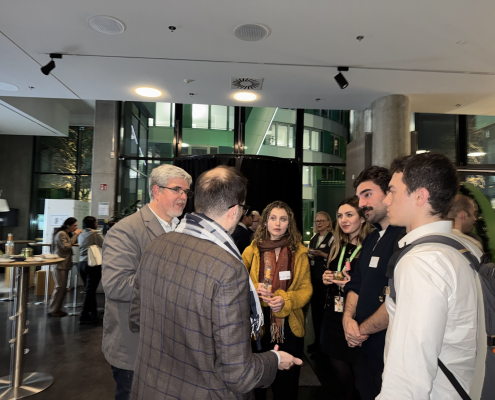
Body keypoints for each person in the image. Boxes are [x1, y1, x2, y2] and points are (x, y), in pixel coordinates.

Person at [129, 166, 302, 399]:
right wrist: (275, 359)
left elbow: (137, 320)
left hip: (150, 388)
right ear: (234, 210)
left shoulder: (156, 245)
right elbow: (238, 375)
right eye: (243, 209)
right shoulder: (228, 268)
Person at [377, 153, 482, 399]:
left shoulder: (421, 262)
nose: (386, 200)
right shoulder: (466, 247)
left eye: (392, 191)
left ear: (420, 196)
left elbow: (410, 371)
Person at [101, 164, 192, 400]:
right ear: (156, 191)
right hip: (136, 348)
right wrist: (176, 278)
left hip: (172, 346)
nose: (183, 197)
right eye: (177, 190)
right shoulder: (126, 230)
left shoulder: (182, 230)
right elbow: (116, 286)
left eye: (186, 192)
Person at [343, 166, 405, 400]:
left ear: (389, 194)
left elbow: (398, 301)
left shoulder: (403, 238)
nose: (362, 203)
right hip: (363, 347)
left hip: (388, 350)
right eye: (359, 197)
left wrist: (360, 330)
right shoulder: (370, 239)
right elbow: (356, 283)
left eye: (367, 194)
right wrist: (347, 318)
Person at [243, 200, 312, 400]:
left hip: (289, 325)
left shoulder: (299, 252)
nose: (278, 223)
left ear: (289, 223)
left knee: (287, 384)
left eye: (283, 219)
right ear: (265, 222)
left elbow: (306, 289)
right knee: (257, 382)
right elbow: (236, 281)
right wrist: (253, 288)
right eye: (273, 218)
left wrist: (285, 300)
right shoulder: (252, 250)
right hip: (258, 325)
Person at [321, 197, 372, 400]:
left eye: (349, 215)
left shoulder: (370, 247)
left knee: (360, 377)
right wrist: (326, 278)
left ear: (362, 218)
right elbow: (334, 271)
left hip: (356, 318)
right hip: (333, 316)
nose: (343, 220)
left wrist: (353, 285)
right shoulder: (338, 245)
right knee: (340, 376)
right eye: (340, 216)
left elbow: (373, 284)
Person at [307, 211, 334, 355]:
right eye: (317, 221)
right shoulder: (314, 238)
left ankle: (324, 345)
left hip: (325, 281)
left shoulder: (332, 238)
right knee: (315, 312)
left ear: (328, 222)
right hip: (314, 279)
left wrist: (322, 254)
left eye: (322, 221)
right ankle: (316, 341)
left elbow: (335, 256)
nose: (319, 223)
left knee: (324, 313)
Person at [48, 217, 82, 317]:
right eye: (74, 225)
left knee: (62, 288)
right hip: (60, 264)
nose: (76, 227)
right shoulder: (61, 233)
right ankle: (53, 309)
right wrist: (76, 235)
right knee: (60, 287)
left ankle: (57, 308)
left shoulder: (65, 234)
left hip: (64, 263)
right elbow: (66, 246)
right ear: (68, 225)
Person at [78, 216, 105, 324]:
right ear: (93, 224)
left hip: (81, 264)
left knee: (90, 290)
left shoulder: (81, 234)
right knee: (90, 291)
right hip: (92, 264)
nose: (97, 224)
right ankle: (84, 315)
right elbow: (105, 244)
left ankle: (93, 313)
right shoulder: (96, 233)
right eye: (96, 222)